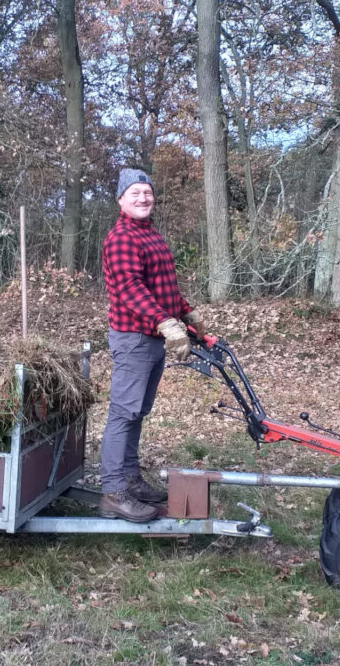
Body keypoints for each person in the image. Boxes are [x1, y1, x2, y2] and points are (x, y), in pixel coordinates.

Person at [98, 168, 206, 522]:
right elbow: (130, 289)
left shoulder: (149, 234)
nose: (143, 198)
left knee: (137, 412)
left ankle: (130, 479)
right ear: (121, 200)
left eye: (147, 192)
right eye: (135, 193)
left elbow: (164, 288)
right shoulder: (122, 239)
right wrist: (164, 322)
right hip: (134, 339)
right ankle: (114, 492)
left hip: (154, 338)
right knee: (123, 413)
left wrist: (187, 316)